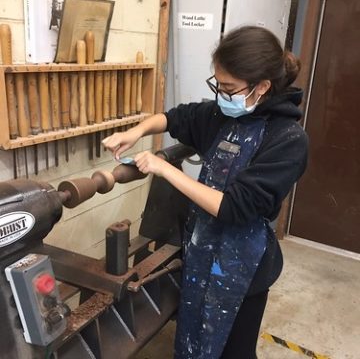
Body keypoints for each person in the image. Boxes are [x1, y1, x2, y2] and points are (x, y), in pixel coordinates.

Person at [103, 26, 308, 359]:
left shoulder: (287, 140)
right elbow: (174, 117)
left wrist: (164, 167)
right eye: (217, 85)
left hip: (245, 268)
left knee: (233, 352)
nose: (221, 95)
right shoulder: (219, 115)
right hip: (201, 253)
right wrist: (135, 131)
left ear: (263, 87)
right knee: (191, 340)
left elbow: (234, 207)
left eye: (228, 88)